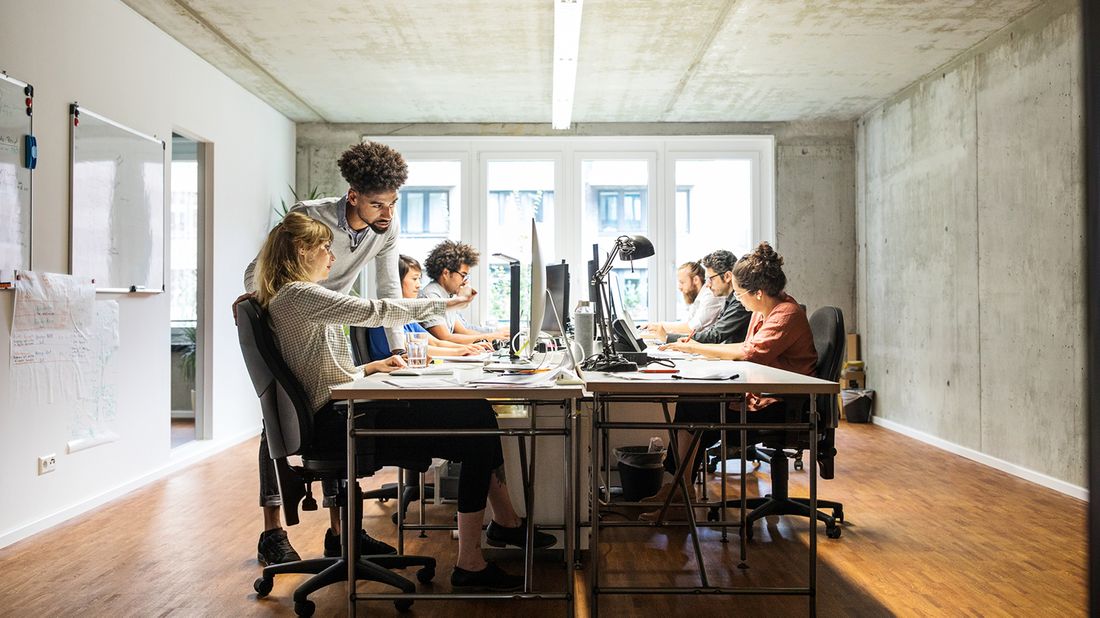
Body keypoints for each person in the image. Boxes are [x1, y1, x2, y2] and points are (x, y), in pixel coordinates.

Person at [254, 212, 553, 590]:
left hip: (337, 415)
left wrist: (372, 367)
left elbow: (322, 376)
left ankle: (500, 530)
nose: (332, 256)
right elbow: (375, 311)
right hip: (340, 424)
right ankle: (474, 560)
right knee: (477, 422)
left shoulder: (291, 298)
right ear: (301, 250)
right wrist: (446, 305)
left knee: (476, 415)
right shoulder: (299, 294)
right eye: (325, 247)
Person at [237, 142, 413, 566]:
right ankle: (272, 531)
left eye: (392, 203)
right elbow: (259, 270)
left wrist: (400, 349)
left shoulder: (384, 229)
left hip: (336, 319)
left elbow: (388, 291)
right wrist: (280, 315)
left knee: (337, 414)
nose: (386, 214)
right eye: (376, 204)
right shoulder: (309, 216)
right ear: (353, 196)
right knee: (280, 416)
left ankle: (342, 536)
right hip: (289, 314)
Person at [647, 242, 817, 517]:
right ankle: (679, 490)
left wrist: (694, 347)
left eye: (739, 293)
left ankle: (679, 493)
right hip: (762, 396)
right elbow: (747, 352)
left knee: (696, 409)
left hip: (783, 407)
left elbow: (750, 352)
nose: (737, 299)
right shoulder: (763, 312)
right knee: (692, 404)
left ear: (758, 293)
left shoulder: (786, 314)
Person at [364, 255, 487, 360]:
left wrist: (468, 348)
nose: (418, 285)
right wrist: (458, 352)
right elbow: (413, 349)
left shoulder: (408, 316)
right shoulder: (383, 314)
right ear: (395, 281)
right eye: (414, 279)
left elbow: (435, 342)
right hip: (387, 378)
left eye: (419, 279)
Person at [418, 240, 509, 346]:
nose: (465, 281)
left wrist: (496, 335)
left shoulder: (447, 296)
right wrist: (490, 337)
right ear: (446, 273)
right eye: (463, 275)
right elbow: (445, 337)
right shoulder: (431, 296)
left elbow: (462, 331)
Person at [643, 260, 725, 341]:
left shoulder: (710, 295)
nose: (679, 287)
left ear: (696, 280)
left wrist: (659, 326)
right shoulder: (698, 298)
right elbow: (687, 323)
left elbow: (691, 328)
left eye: (682, 282)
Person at [687, 249, 753, 345]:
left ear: (727, 276)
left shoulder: (741, 302)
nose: (707, 285)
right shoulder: (729, 300)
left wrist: (669, 337)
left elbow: (714, 336)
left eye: (711, 279)